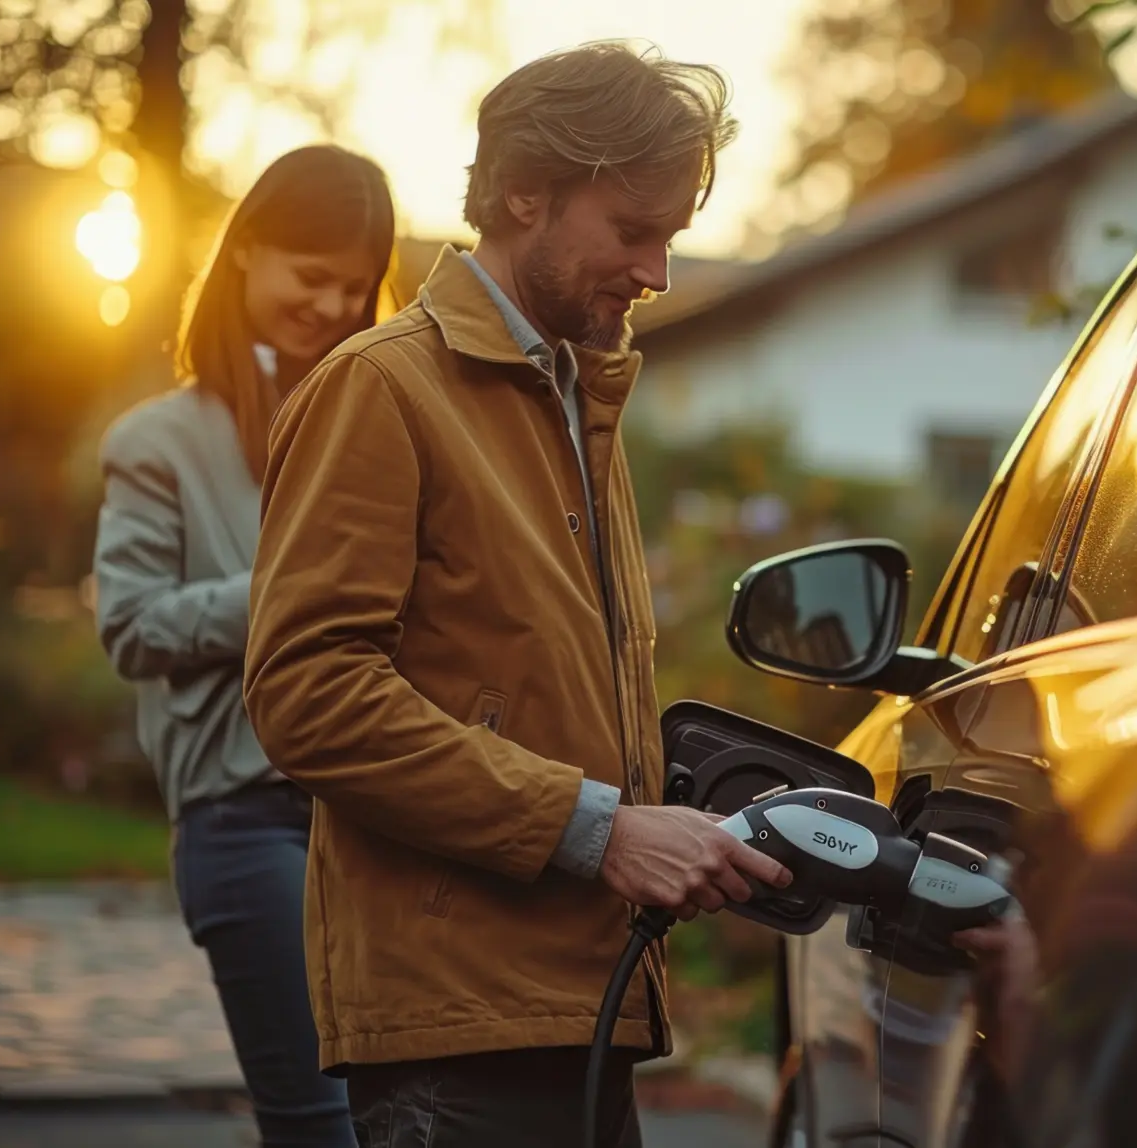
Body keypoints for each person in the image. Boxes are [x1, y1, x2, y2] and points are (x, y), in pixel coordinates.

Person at [240, 42, 792, 1148]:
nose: (658, 273)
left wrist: (675, 820)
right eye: (633, 230)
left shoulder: (574, 396)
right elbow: (306, 691)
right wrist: (597, 831)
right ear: (523, 193)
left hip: (575, 1008)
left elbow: (522, 682)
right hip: (458, 1036)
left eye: (670, 236)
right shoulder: (378, 388)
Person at [92, 144, 396, 1148]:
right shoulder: (157, 441)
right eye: (311, 277)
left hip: (379, 812)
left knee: (397, 1117)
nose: (331, 306)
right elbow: (132, 625)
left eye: (354, 288)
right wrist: (287, 590)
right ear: (245, 252)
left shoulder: (377, 419)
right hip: (242, 814)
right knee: (318, 1127)